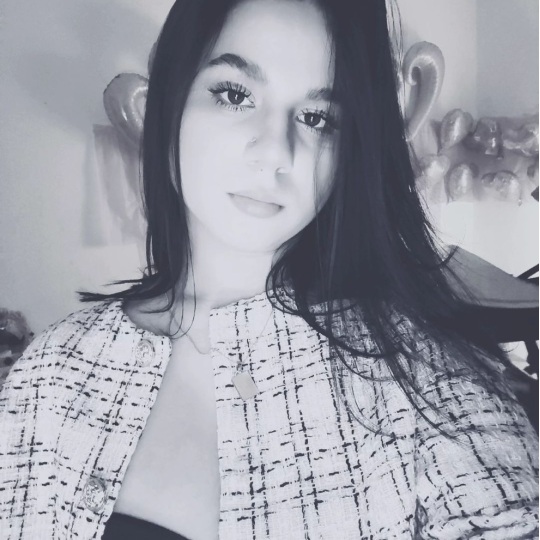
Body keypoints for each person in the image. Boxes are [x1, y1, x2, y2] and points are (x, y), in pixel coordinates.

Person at [0, 0, 538, 538]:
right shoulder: (52, 370)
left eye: (318, 118)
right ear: (169, 104)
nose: (276, 152)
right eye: (235, 95)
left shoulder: (427, 377)